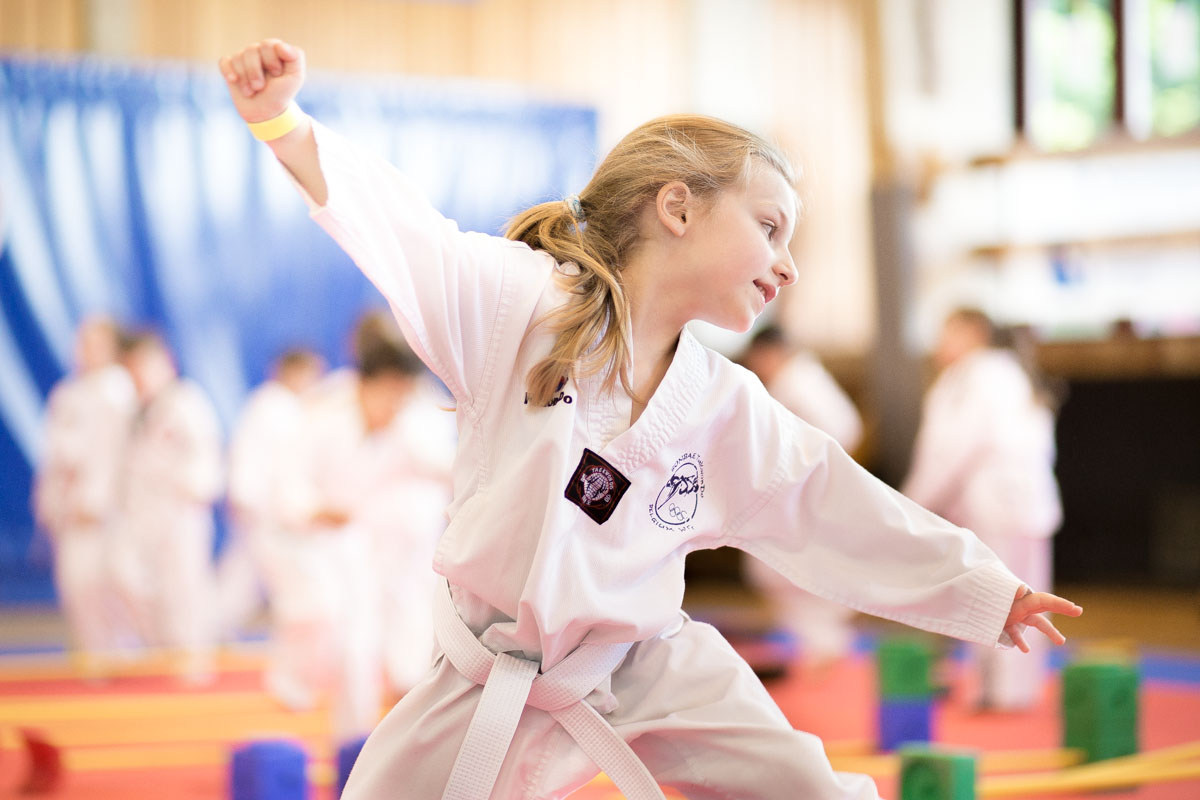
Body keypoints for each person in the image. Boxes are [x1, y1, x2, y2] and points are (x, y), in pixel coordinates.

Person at [220, 39, 1081, 800]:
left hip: (650, 665)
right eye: (770, 228)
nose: (786, 266)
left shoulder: (723, 402)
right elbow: (404, 233)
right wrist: (282, 122)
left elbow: (835, 503)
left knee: (801, 786)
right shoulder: (517, 306)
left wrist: (982, 589)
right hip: (487, 671)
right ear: (678, 208)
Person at [272, 337, 439, 742]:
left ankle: (366, 743)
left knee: (372, 647)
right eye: (391, 393)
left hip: (370, 551)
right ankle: (327, 717)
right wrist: (316, 510)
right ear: (366, 384)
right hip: (317, 546)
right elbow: (287, 483)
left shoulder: (405, 432)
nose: (396, 404)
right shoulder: (325, 423)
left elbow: (444, 469)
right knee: (336, 636)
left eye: (403, 396)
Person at [903, 308, 1064, 711]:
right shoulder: (1014, 372)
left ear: (974, 332)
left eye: (947, 333)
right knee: (1026, 593)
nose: (939, 345)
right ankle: (1016, 688)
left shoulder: (970, 376)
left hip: (993, 502)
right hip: (1028, 500)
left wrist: (909, 504)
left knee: (990, 593)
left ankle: (997, 689)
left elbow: (947, 451)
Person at [739, 324, 864, 672]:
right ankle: (822, 641)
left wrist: (805, 467)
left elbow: (838, 431)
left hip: (803, 486)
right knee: (779, 568)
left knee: (775, 567)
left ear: (770, 353)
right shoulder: (803, 376)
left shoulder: (796, 381)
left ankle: (824, 641)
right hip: (803, 485)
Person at [112, 330, 224, 685]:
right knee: (129, 577)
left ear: (166, 364)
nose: (140, 376)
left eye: (146, 366)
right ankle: (161, 649)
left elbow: (206, 453)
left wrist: (194, 487)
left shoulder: (186, 401)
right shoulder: (135, 408)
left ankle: (193, 663)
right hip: (145, 511)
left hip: (181, 510)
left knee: (185, 589)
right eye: (133, 369)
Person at [32, 316, 137, 678]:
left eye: (95, 343)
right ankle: (94, 656)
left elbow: (113, 453)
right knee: (76, 586)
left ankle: (120, 656)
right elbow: (53, 456)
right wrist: (48, 501)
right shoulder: (69, 393)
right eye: (82, 342)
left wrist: (96, 499)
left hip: (105, 511)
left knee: (106, 585)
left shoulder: (116, 390)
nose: (85, 351)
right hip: (70, 506)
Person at [218, 348, 325, 639]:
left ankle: (215, 633)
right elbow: (260, 461)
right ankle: (212, 635)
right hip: (264, 509)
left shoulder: (278, 406)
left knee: (245, 577)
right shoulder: (275, 405)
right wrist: (247, 499)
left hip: (267, 508)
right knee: (245, 578)